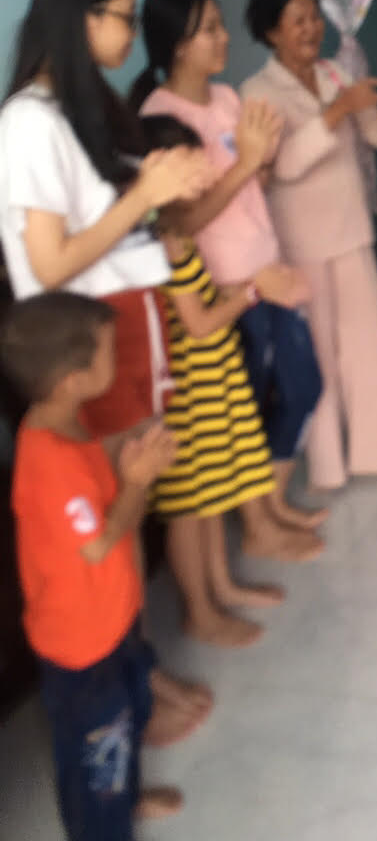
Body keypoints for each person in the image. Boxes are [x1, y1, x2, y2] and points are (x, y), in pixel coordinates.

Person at [0, 0, 214, 748]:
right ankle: (131, 689)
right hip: (82, 341)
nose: (130, 33)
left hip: (121, 327)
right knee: (116, 518)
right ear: (79, 17)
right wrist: (145, 195)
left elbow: (121, 226)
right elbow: (50, 263)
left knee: (134, 502)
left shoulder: (78, 110)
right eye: (122, 17)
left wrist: (168, 188)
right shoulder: (26, 121)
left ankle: (138, 672)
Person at [132, 0, 326, 550]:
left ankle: (272, 503)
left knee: (302, 385)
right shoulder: (158, 116)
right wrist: (245, 165)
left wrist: (261, 159)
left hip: (265, 267)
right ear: (177, 43)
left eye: (220, 26)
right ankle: (258, 522)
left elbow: (250, 184)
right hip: (223, 286)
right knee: (250, 406)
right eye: (210, 29)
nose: (224, 39)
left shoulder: (225, 98)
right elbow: (181, 220)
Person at [1, 291, 182, 839]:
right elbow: (99, 543)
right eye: (109, 352)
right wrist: (137, 481)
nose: (117, 358)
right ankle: (103, 824)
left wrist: (132, 476)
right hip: (81, 648)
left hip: (112, 621)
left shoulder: (71, 422)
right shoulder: (50, 463)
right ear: (71, 381)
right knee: (97, 749)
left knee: (127, 718)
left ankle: (123, 798)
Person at [141, 114, 320, 646]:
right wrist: (252, 291)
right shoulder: (166, 243)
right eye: (192, 163)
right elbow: (197, 324)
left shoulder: (179, 234)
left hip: (213, 379)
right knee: (188, 506)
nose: (206, 173)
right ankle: (200, 609)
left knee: (212, 493)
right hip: (191, 391)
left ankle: (222, 587)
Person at [240, 0, 377, 490]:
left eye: (315, 17)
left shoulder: (337, 73)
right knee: (318, 356)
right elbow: (283, 166)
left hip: (352, 233)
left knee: (368, 346)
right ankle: (327, 468)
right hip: (300, 243)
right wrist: (336, 111)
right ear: (272, 32)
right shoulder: (257, 92)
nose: (312, 28)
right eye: (298, 20)